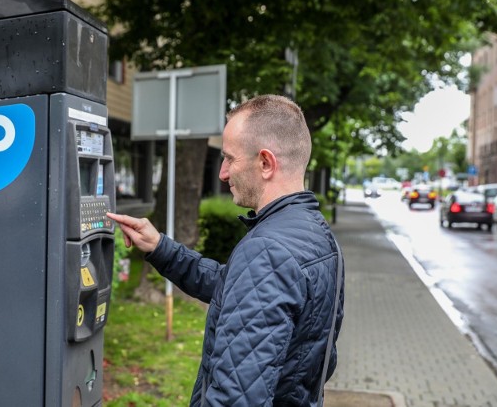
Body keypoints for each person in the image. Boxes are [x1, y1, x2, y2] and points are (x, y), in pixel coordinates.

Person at [107, 94, 344, 407]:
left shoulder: (268, 251)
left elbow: (235, 399)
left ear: (265, 163)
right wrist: (161, 248)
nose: (222, 172)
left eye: (230, 158)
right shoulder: (318, 236)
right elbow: (234, 287)